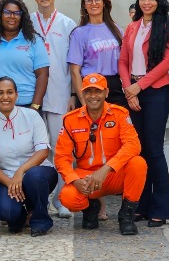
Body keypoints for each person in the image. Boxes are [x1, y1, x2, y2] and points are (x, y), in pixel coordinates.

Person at [55, 73, 146, 235]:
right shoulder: (70, 120)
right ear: (82, 94)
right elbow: (61, 157)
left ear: (106, 92)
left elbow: (133, 145)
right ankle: (91, 208)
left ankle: (126, 215)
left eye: (97, 91)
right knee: (68, 197)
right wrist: (74, 180)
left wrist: (105, 170)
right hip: (87, 178)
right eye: (88, 91)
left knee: (138, 163)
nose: (93, 96)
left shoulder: (120, 114)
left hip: (113, 174)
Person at [118, 0, 169, 227]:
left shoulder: (165, 27)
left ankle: (161, 208)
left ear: (158, 0)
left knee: (153, 149)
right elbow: (122, 61)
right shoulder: (132, 27)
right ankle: (140, 204)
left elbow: (167, 63)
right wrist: (128, 90)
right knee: (137, 151)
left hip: (155, 92)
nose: (146, 2)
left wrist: (139, 87)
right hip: (132, 92)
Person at [0, 77, 57, 237]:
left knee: (32, 177)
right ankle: (23, 213)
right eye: (0, 93)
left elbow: (42, 151)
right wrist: (11, 182)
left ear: (17, 95)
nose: (5, 97)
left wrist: (20, 172)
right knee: (7, 213)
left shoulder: (32, 116)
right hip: (7, 178)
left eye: (9, 92)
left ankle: (40, 220)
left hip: (39, 173)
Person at [29, 0, 77, 219]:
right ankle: (39, 198)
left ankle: (60, 199)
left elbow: (73, 62)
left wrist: (72, 94)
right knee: (36, 149)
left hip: (60, 95)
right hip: (33, 95)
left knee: (60, 150)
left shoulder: (68, 24)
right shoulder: (27, 23)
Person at [0, 0, 49, 116]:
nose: (12, 16)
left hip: (26, 104)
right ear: (0, 15)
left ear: (22, 17)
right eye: (7, 12)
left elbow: (43, 75)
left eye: (17, 13)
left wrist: (35, 107)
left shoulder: (34, 40)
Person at [68, 0, 127, 109]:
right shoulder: (79, 33)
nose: (93, 3)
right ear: (84, 5)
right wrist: (83, 101)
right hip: (91, 86)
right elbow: (74, 71)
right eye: (89, 0)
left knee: (115, 125)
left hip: (114, 85)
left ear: (104, 2)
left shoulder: (116, 29)